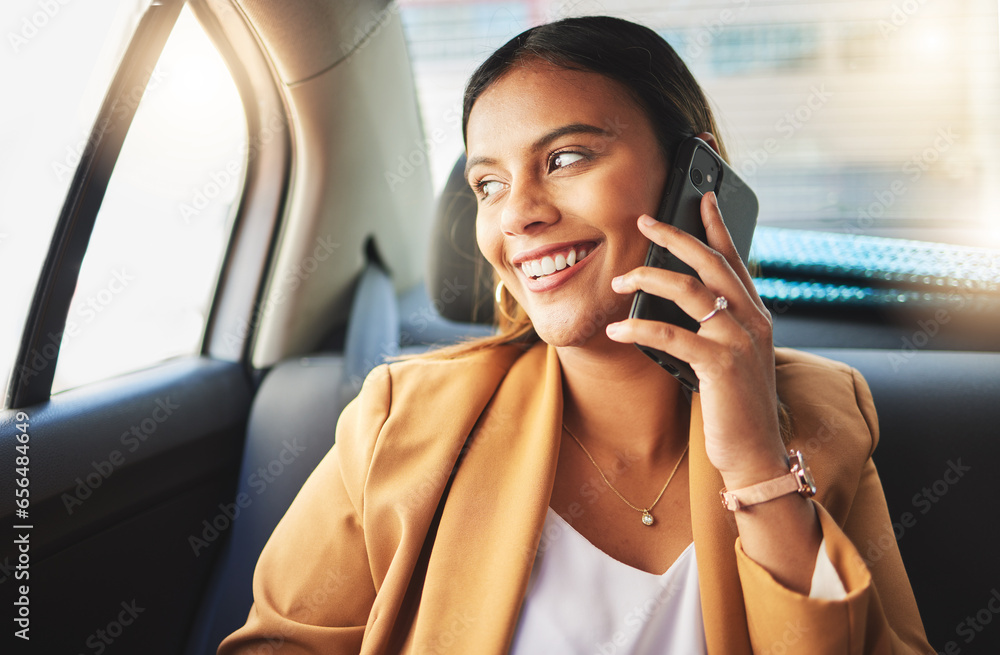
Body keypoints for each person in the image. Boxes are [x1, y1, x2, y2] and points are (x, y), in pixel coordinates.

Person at [220, 16, 933, 654]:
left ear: (695, 178)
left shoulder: (828, 415)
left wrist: (757, 463)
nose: (518, 214)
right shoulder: (398, 418)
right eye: (488, 184)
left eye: (565, 159)